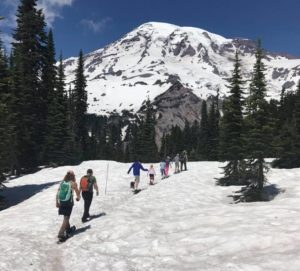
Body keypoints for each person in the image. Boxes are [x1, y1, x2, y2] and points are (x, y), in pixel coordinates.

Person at [56, 170, 80, 241]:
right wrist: (78, 198)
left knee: (65, 216)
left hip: (61, 201)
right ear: (73, 176)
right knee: (67, 217)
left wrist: (57, 202)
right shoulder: (73, 183)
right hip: (69, 202)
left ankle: (68, 229)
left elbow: (58, 192)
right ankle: (61, 232)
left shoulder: (62, 182)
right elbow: (77, 192)